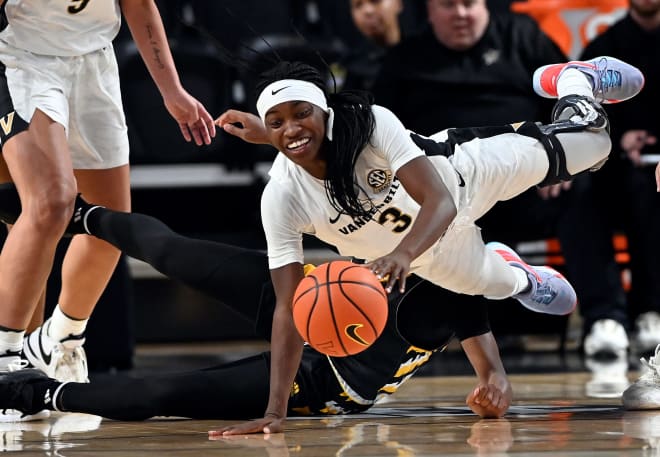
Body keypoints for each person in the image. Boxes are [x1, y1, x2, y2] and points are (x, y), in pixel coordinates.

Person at [212, 56, 643, 434]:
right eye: (276, 123)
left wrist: (402, 253)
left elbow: (438, 202)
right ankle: (521, 277)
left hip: (465, 174)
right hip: (432, 254)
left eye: (301, 113)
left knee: (595, 145)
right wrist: (275, 411)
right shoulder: (281, 198)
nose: (291, 128)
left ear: (324, 113)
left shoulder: (371, 122)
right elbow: (288, 307)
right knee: (492, 283)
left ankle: (576, 82)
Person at [0, 190, 512, 423]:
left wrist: (494, 388)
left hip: (324, 378)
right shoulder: (404, 201)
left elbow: (492, 370)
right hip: (314, 293)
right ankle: (76, 213)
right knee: (175, 251)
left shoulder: (463, 281)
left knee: (161, 394)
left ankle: (33, 392)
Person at [372, 0, 631, 356]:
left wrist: (561, 165)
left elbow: (550, 110)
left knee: (583, 186)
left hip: (527, 182)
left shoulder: (521, 36)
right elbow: (385, 142)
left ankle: (605, 319)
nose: (461, 14)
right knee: (406, 224)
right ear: (429, 11)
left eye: (470, 4)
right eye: (449, 6)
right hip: (452, 193)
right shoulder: (404, 59)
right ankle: (445, 330)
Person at [0, 0, 216, 405]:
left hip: (94, 61)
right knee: (52, 202)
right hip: (22, 59)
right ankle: (5, 359)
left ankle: (60, 339)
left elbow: (139, 5)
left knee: (110, 224)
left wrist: (172, 91)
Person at [575, 0, 660, 357]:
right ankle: (605, 318)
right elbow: (582, 112)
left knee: (653, 186)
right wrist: (620, 135)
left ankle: (652, 311)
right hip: (613, 171)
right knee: (577, 193)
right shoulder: (602, 51)